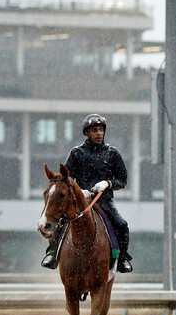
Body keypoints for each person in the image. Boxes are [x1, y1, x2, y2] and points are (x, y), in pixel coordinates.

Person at [41, 113, 133, 273]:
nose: (98, 133)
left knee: (122, 224)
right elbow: (65, 179)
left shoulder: (113, 153)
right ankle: (52, 253)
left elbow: (122, 180)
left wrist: (107, 183)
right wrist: (80, 191)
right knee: (61, 220)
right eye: (94, 130)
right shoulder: (76, 153)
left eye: (100, 130)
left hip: (104, 201)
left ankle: (123, 258)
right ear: (87, 133)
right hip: (80, 200)